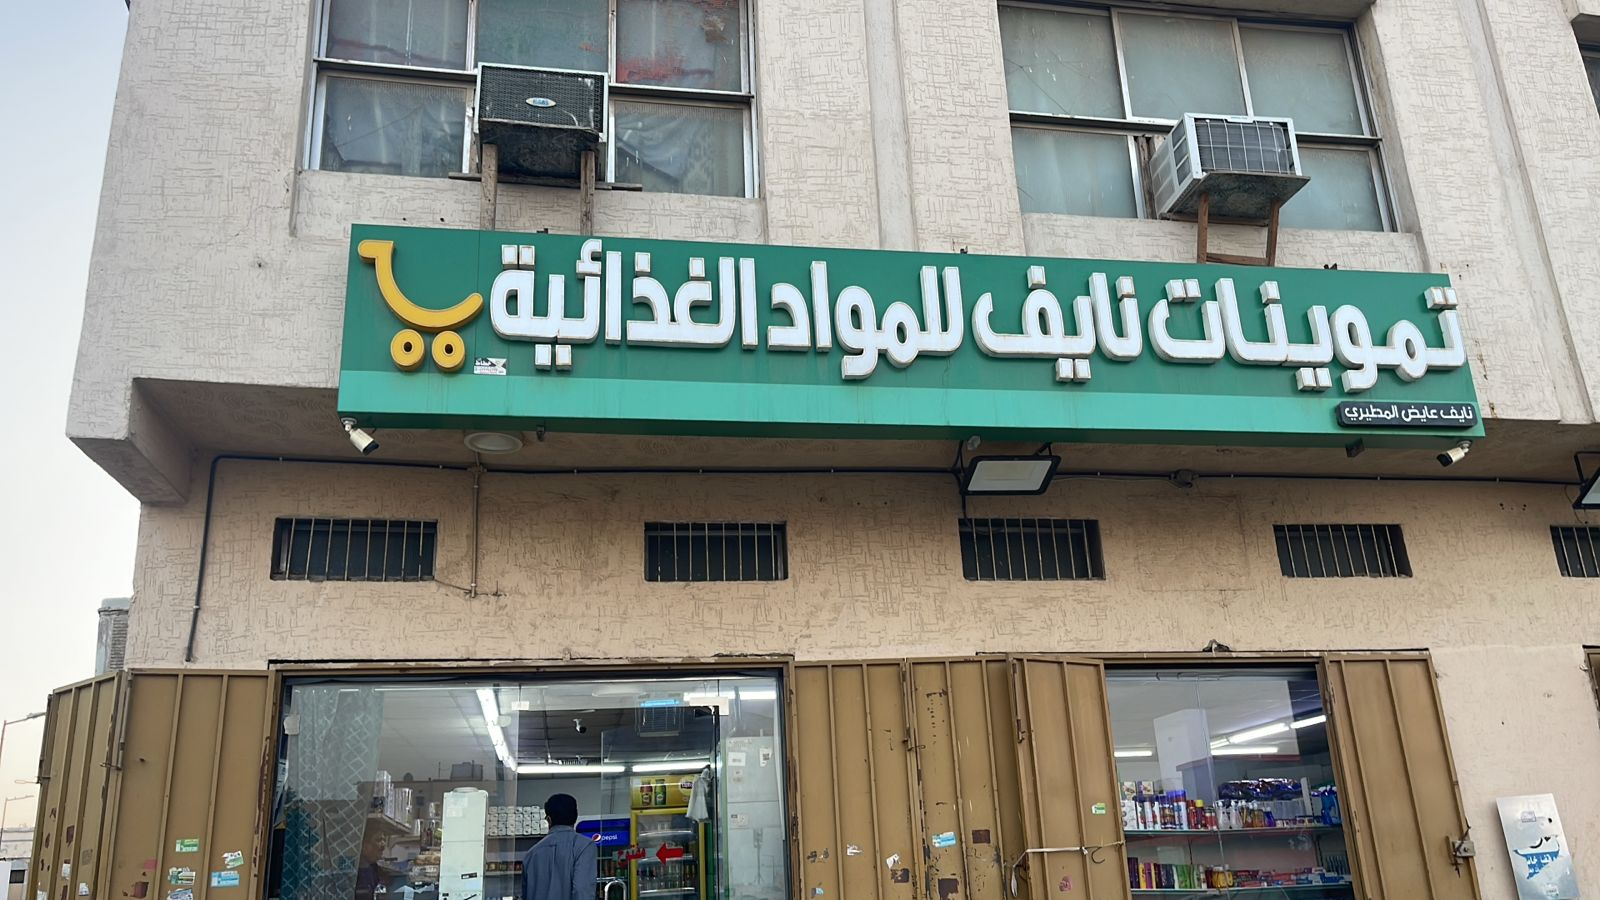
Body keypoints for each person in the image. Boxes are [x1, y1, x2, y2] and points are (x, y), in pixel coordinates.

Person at [522, 794, 597, 900]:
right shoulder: (584, 847)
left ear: (549, 820)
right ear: (575, 817)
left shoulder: (531, 854)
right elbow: (582, 891)